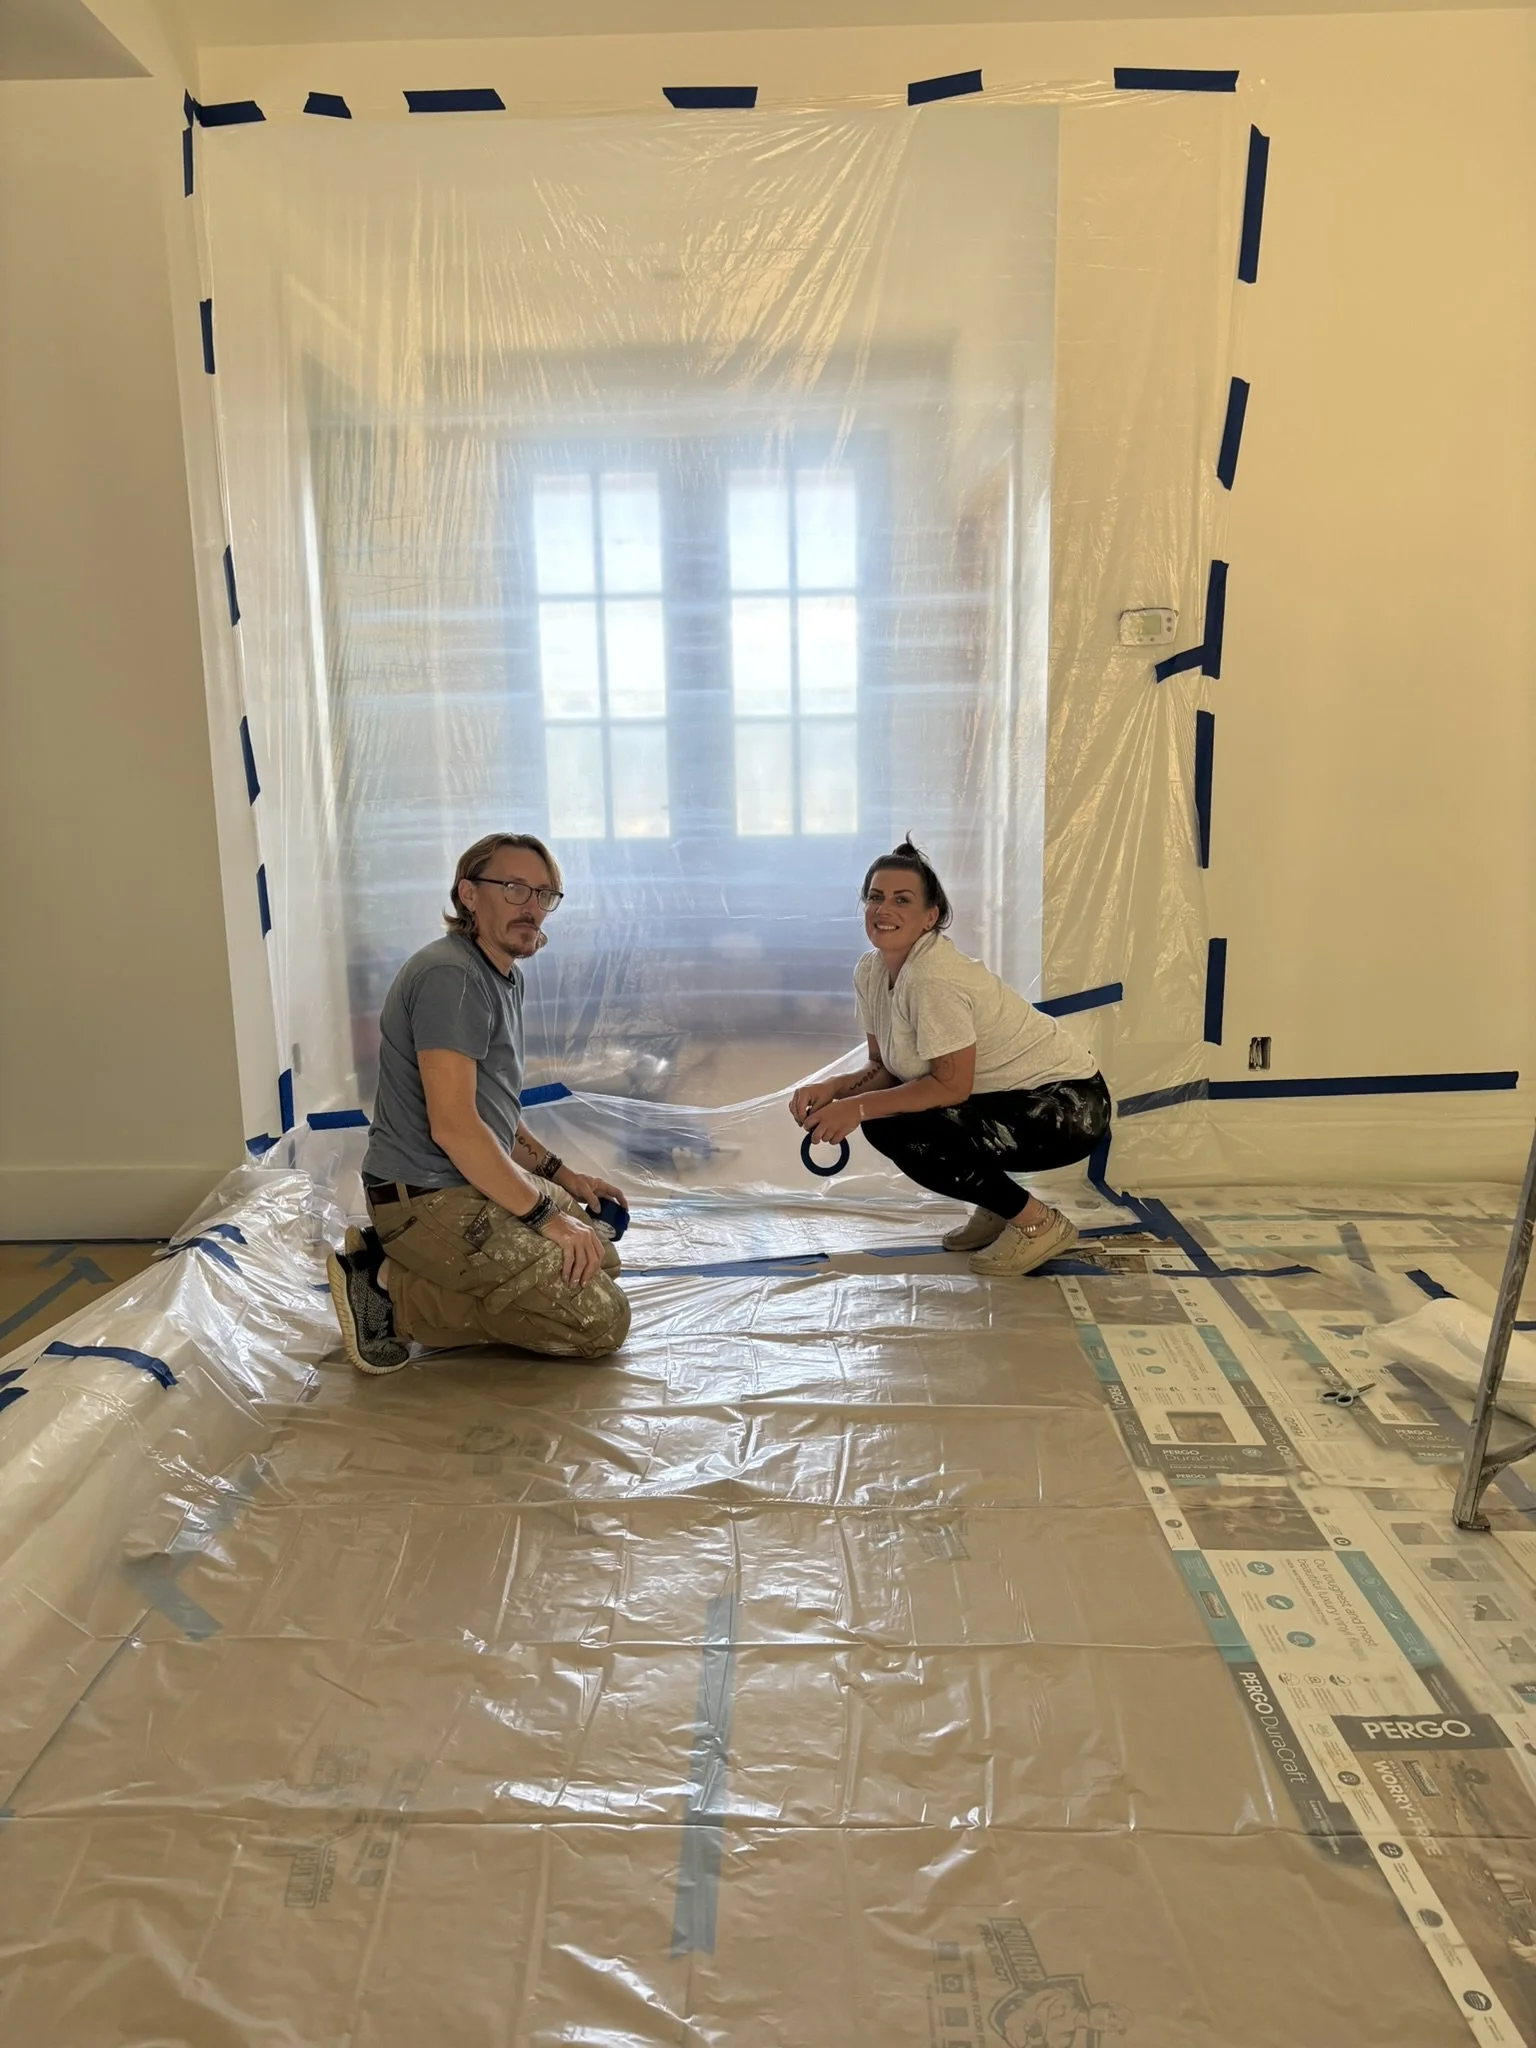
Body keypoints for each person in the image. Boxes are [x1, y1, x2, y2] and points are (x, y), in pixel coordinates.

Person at [326, 831, 631, 1374]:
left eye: (544, 895)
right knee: (599, 1320)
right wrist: (545, 1218)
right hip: (428, 1199)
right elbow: (455, 1127)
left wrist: (565, 1178)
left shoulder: (498, 975)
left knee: (599, 1252)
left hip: (467, 1184)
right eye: (515, 889)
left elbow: (496, 1117)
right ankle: (392, 1293)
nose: (532, 908)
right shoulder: (452, 977)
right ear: (469, 895)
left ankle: (413, 1267)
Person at [789, 839, 1111, 1278]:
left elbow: (950, 1086)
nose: (884, 910)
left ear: (930, 917)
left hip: (1068, 1107)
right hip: (1010, 1098)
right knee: (892, 1117)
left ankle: (1037, 1223)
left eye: (902, 900)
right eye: (876, 897)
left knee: (900, 1129)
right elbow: (885, 1067)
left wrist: (855, 1107)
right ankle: (999, 1207)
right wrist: (834, 1089)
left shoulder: (932, 978)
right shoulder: (870, 970)